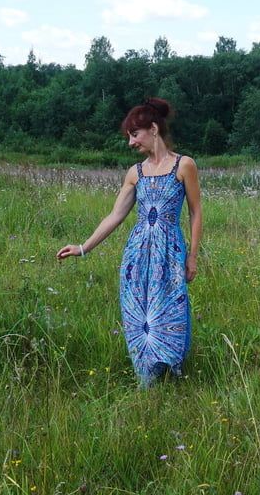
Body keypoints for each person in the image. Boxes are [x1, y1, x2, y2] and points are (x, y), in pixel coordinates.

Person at [57, 97, 202, 387]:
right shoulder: (135, 173)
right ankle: (145, 379)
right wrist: (84, 247)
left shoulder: (185, 165)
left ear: (153, 129)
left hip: (170, 254)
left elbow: (195, 212)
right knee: (139, 314)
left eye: (134, 135)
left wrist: (192, 256)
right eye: (129, 137)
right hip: (138, 255)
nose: (130, 143)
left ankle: (170, 372)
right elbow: (115, 215)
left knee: (169, 310)